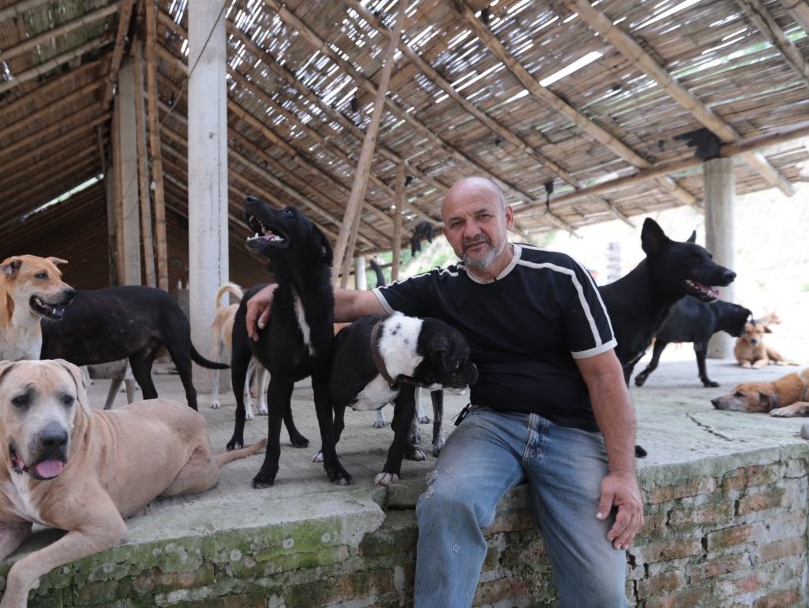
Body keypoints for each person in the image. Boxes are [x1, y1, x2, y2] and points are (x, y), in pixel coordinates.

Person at [245, 177, 643, 606]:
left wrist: (623, 473)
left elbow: (605, 376)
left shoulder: (559, 275)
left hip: (572, 432)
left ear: (507, 218)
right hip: (492, 425)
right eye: (456, 223)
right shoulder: (441, 286)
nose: (470, 230)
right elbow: (357, 303)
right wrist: (283, 293)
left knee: (602, 593)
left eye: (482, 216)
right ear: (447, 234)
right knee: (446, 502)